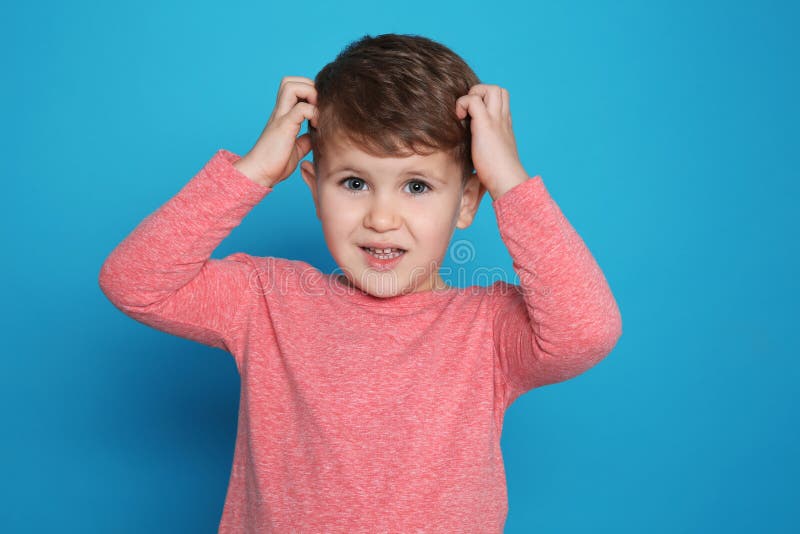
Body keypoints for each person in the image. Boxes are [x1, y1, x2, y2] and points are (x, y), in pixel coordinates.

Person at [98, 33, 622, 533]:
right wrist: (252, 172)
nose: (381, 218)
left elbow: (587, 331)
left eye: (416, 186)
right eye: (354, 183)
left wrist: (510, 181)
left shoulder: (488, 329)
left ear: (466, 201)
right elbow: (134, 282)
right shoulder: (267, 301)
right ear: (314, 189)